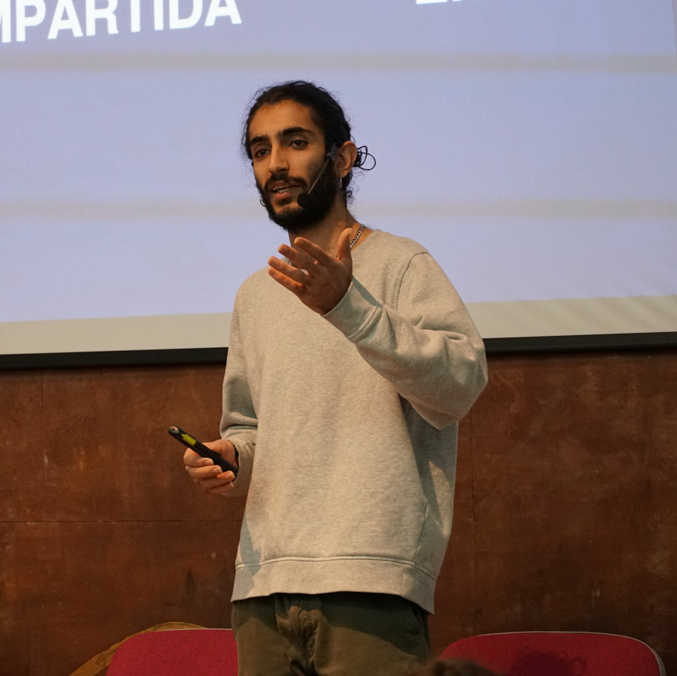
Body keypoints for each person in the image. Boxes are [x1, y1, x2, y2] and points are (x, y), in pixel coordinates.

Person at [182, 81, 488, 675]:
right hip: (263, 583)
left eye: (296, 142)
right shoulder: (255, 294)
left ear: (342, 158)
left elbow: (460, 384)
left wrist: (349, 305)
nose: (276, 163)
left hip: (370, 578)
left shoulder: (402, 264)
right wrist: (229, 458)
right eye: (260, 149)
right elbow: (248, 428)